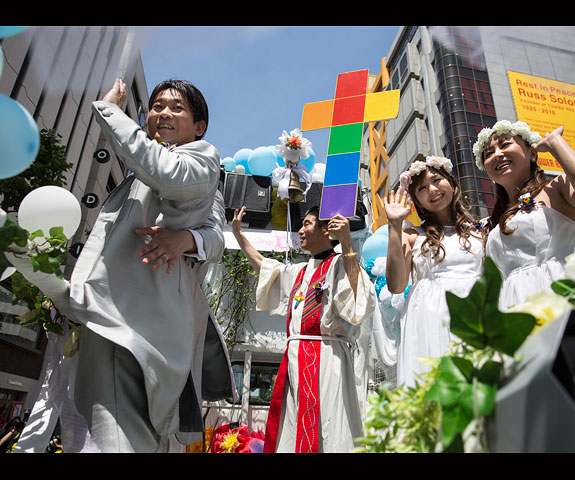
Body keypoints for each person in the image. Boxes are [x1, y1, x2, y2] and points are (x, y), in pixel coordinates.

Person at [7, 78, 235, 452]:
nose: (163, 112)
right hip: (114, 315)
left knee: (120, 431)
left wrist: (187, 240)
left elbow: (213, 236)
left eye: (177, 108)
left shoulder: (199, 160)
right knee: (119, 432)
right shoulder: (137, 176)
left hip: (141, 323)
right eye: (157, 106)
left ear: (199, 127)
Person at [231, 205, 376, 453]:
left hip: (328, 358)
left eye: (307, 224)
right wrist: (238, 236)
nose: (300, 230)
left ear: (325, 229)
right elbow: (265, 268)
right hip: (296, 359)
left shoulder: (340, 264)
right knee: (292, 425)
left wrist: (347, 242)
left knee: (330, 425)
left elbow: (358, 302)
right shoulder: (299, 272)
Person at [473, 120, 575, 309]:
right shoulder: (492, 222)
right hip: (514, 304)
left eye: (505, 144)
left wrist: (556, 144)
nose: (497, 155)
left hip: (561, 293)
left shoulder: (556, 187)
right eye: (489, 154)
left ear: (532, 152)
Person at [383, 157, 485, 388]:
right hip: (430, 320)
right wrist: (394, 225)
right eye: (421, 188)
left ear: (452, 183)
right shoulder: (413, 234)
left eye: (437, 180)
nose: (432, 189)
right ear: (416, 200)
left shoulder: (481, 231)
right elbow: (396, 285)